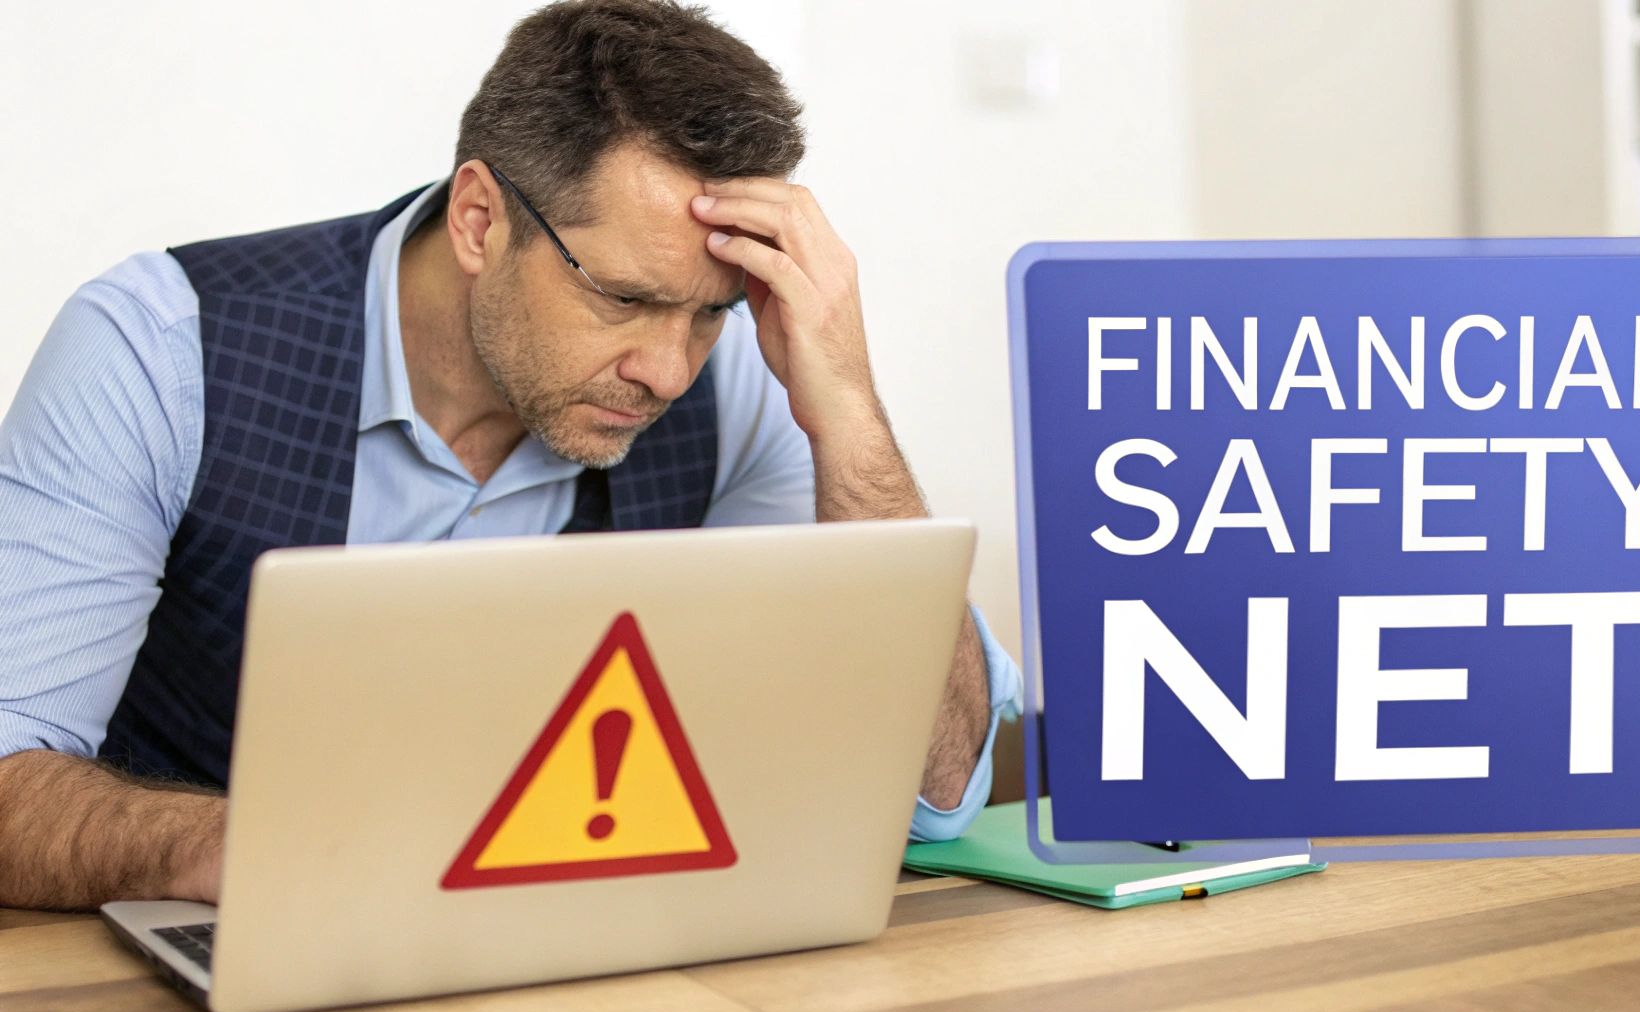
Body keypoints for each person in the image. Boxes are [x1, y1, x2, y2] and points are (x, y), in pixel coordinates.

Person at [0, 0, 1020, 911]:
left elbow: (932, 789)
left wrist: (846, 412)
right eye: (623, 298)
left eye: (707, 314)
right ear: (480, 218)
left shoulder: (745, 385)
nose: (668, 369)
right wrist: (226, 846)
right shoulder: (159, 351)